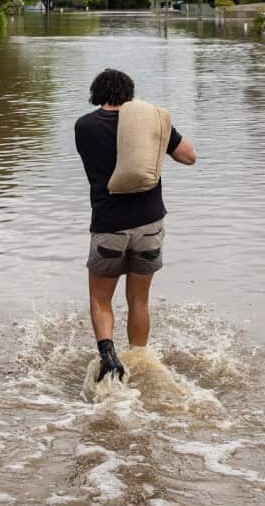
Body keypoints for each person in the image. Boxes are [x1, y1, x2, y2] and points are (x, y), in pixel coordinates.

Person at [74, 68, 196, 382]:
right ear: (130, 96)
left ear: (96, 94)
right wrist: (159, 136)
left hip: (108, 228)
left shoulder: (84, 126)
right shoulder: (152, 123)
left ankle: (108, 359)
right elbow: (188, 157)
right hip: (149, 226)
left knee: (101, 299)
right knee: (139, 300)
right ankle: (140, 363)